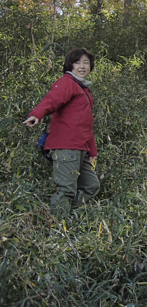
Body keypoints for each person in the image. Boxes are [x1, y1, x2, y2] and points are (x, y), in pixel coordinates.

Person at [23, 48, 100, 215]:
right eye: (77, 62)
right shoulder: (67, 83)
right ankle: (56, 227)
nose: (82, 66)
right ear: (70, 65)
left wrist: (92, 151)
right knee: (66, 189)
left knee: (91, 185)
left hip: (81, 148)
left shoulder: (84, 89)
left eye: (85, 63)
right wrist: (36, 115)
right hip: (66, 146)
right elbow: (51, 100)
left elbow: (87, 125)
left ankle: (65, 218)